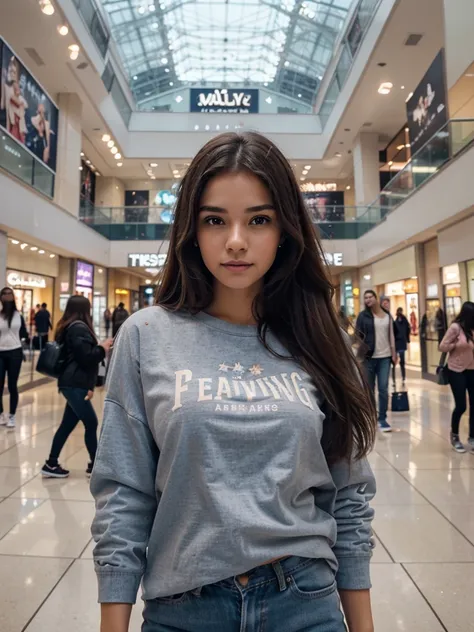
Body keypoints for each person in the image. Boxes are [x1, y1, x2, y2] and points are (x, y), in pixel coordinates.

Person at [90, 132, 377, 632]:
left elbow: (348, 499)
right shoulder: (147, 335)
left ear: (285, 230)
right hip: (185, 607)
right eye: (215, 220)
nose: (236, 240)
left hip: (304, 602)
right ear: (192, 231)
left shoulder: (319, 338)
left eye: (259, 220)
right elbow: (124, 493)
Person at [41, 296, 112, 478]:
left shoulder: (71, 326)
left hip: (73, 382)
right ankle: (95, 464)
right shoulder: (79, 328)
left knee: (67, 425)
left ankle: (51, 463)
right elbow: (86, 357)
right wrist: (102, 348)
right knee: (91, 422)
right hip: (74, 383)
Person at [356, 290, 397, 432]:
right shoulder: (363, 316)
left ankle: (382, 418)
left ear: (376, 298)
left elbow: (391, 334)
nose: (368, 300)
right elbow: (358, 335)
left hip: (385, 357)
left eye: (370, 297)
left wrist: (394, 353)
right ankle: (371, 417)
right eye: (365, 298)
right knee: (369, 389)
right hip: (369, 357)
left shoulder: (387, 316)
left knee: (384, 388)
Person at [439, 301, 474, 454]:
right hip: (456, 370)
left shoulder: (473, 329)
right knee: (461, 406)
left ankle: (472, 437)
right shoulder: (455, 328)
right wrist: (454, 344)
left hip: (472, 370)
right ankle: (455, 436)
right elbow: (442, 346)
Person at [0, 287, 29, 429]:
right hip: (0, 352)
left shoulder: (19, 316)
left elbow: (24, 333)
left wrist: (23, 341)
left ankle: (12, 415)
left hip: (15, 352)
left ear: (13, 296)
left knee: (12, 385)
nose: (7, 296)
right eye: (4, 294)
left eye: (9, 294)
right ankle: (1, 414)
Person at [393, 307, 410, 387]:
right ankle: (394, 379)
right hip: (397, 344)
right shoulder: (395, 322)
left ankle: (403, 377)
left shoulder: (404, 321)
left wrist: (407, 339)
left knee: (402, 361)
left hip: (402, 343)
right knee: (394, 362)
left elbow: (408, 330)